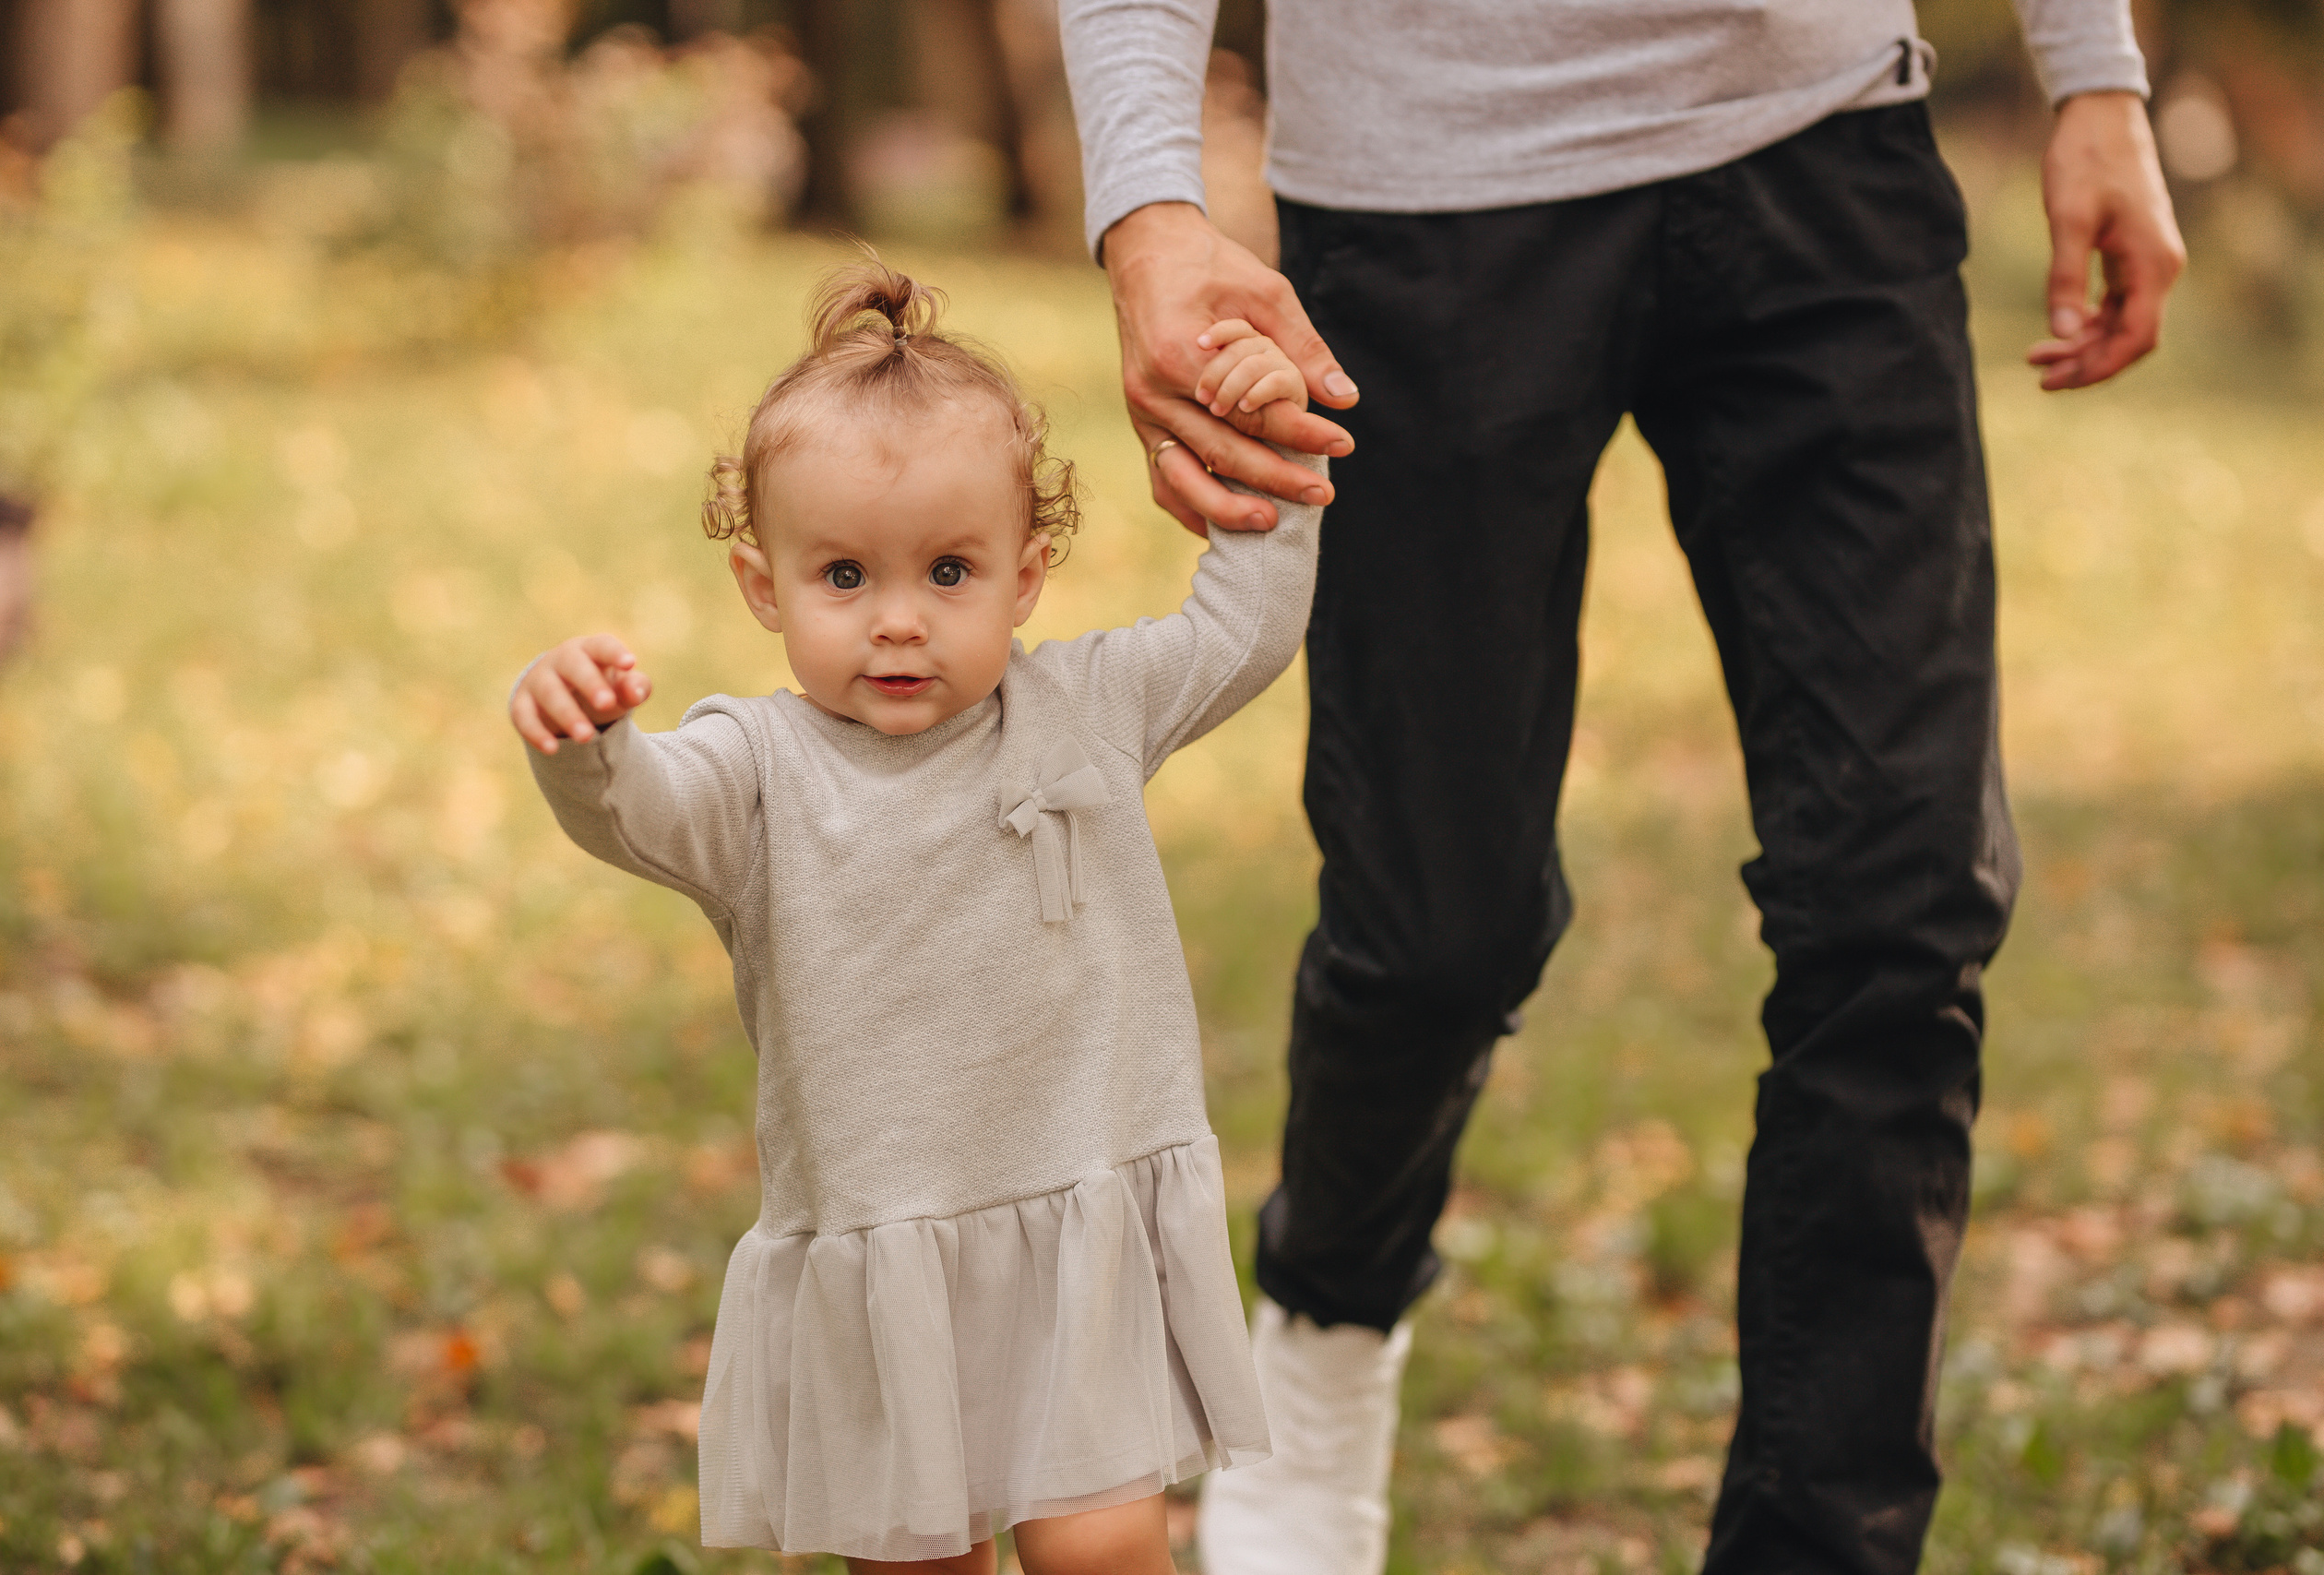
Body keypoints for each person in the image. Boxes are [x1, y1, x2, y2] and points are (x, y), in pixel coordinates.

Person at [1056, 3, 2186, 1573]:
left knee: (1901, 905)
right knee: (1438, 930)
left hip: (1824, 146)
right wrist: (1146, 206)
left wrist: (2097, 73)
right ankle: (1327, 1325)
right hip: (1424, 191)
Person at [507, 257, 1326, 1573]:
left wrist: (1271, 453)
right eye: (844, 576)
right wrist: (583, 741)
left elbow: (1244, 630)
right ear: (763, 587)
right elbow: (636, 808)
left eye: (950, 572)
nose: (899, 623)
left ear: (1026, 577)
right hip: (888, 1253)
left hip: (1075, 1228)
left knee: (1102, 1554)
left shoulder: (1086, 712)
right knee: (917, 1561)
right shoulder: (758, 775)